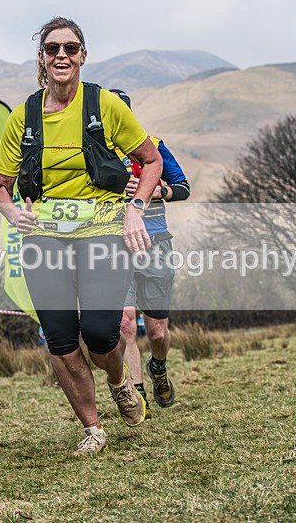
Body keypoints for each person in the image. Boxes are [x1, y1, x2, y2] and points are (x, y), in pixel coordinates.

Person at [0, 17, 163, 454]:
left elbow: (152, 160)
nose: (61, 55)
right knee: (62, 340)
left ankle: (119, 380)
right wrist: (13, 214)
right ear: (42, 58)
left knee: (102, 332)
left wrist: (135, 210)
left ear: (83, 55)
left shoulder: (105, 106)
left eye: (70, 48)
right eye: (52, 49)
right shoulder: (24, 117)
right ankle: (93, 429)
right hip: (45, 237)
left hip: (103, 229)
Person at [110, 89, 191, 414]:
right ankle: (138, 394)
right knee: (125, 324)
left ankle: (158, 367)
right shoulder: (96, 153)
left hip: (156, 243)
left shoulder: (153, 145)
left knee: (157, 332)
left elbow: (183, 188)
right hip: (115, 246)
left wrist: (158, 190)